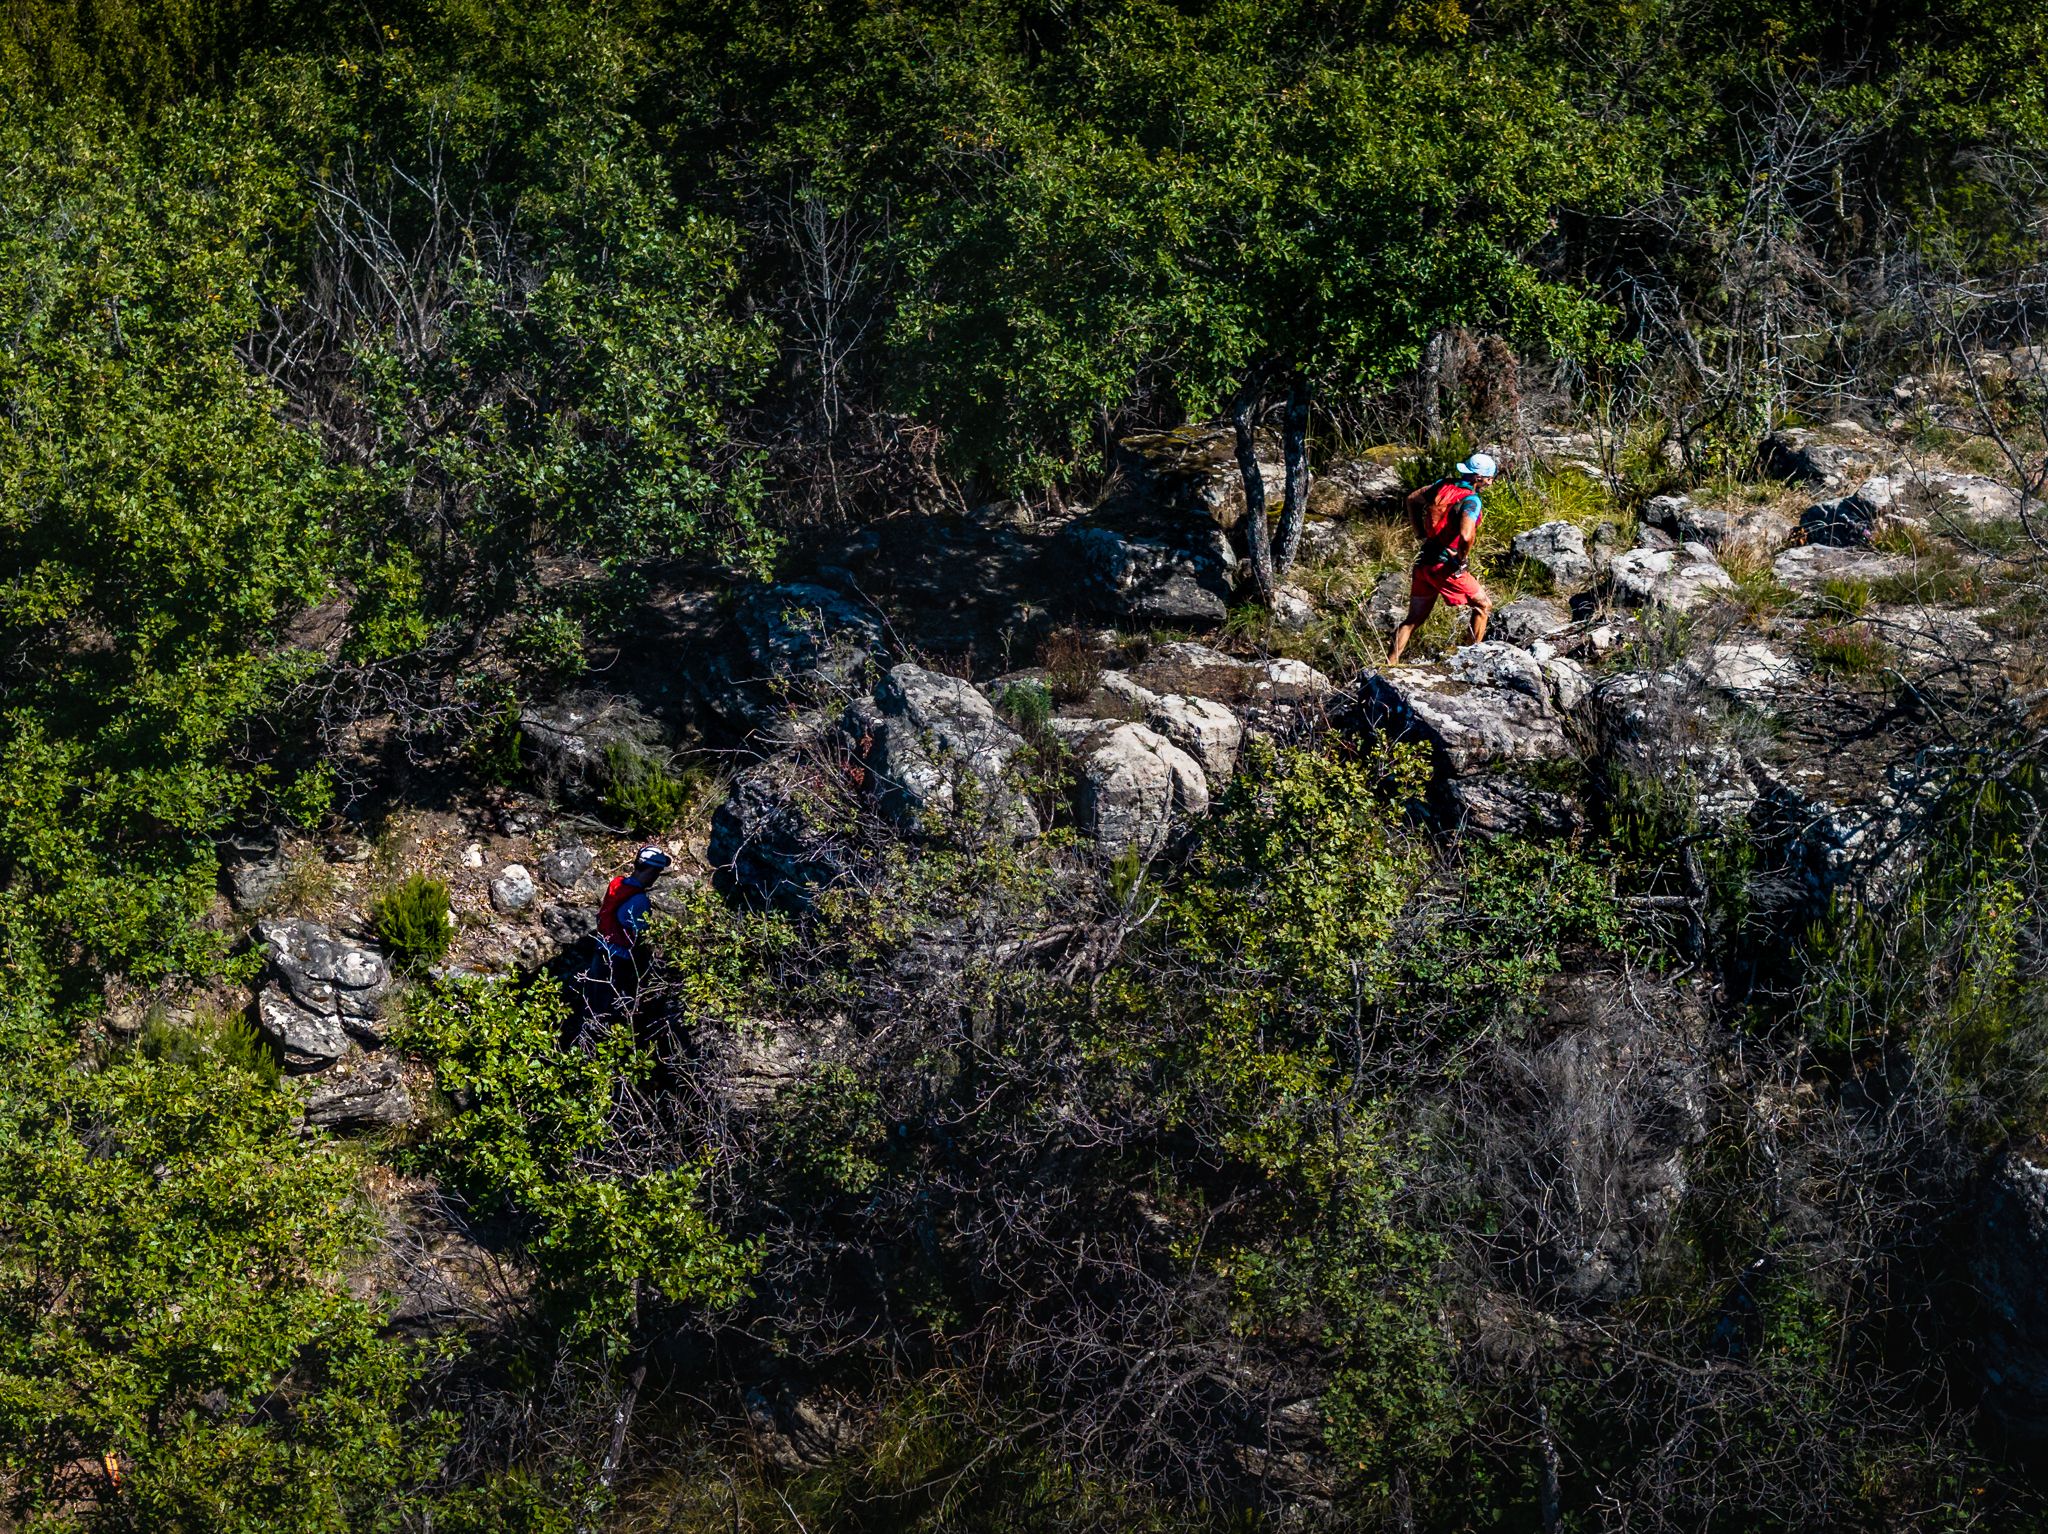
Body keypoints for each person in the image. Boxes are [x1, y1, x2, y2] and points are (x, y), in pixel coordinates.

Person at [1387, 453, 1498, 666]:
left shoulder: (1441, 486)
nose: (1490, 482)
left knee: (1412, 621)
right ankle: (1470, 661)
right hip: (1443, 567)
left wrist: (1421, 535)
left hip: (1423, 564)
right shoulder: (1471, 501)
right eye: (1489, 478)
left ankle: (1388, 665)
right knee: (1483, 606)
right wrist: (1461, 558)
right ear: (1477, 477)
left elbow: (1411, 500)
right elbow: (1466, 535)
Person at [567, 845, 671, 1039]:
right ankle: (599, 1050)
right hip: (618, 961)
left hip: (602, 952)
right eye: (658, 871)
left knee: (593, 1002)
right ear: (650, 870)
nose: (657, 876)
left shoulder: (618, 885)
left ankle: (582, 1044)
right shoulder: (640, 900)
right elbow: (636, 935)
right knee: (611, 1008)